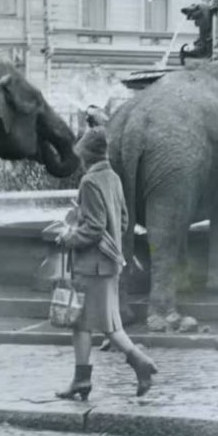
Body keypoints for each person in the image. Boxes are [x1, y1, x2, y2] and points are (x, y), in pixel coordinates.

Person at [55, 126, 157, 400]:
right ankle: (135, 365)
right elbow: (123, 220)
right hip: (110, 263)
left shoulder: (89, 182)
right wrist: (112, 241)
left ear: (86, 153)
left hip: (91, 266)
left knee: (85, 324)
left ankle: (89, 379)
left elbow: (93, 228)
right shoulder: (113, 178)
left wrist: (68, 237)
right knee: (108, 325)